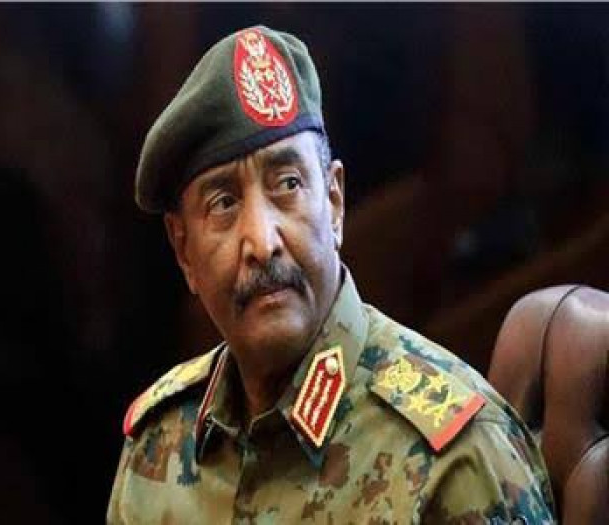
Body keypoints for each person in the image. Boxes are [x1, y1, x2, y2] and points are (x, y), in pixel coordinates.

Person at [107, 26, 555, 524]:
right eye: (224, 203)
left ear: (335, 203)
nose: (263, 242)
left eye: (288, 184)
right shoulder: (159, 446)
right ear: (183, 251)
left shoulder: (454, 458)